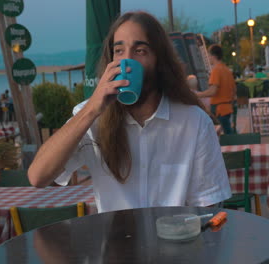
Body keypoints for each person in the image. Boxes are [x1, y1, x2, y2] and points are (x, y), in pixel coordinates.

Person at [28, 11, 232, 213]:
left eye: (140, 50)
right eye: (119, 51)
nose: (127, 60)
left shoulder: (193, 122)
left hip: (175, 241)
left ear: (159, 60)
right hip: (116, 244)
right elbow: (38, 177)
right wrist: (91, 109)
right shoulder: (92, 118)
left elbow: (208, 207)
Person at [196, 44, 236, 135]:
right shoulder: (227, 70)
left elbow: (213, 91)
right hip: (227, 108)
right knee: (228, 133)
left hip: (219, 110)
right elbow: (234, 91)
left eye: (209, 55)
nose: (208, 58)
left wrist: (197, 95)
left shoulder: (216, 70)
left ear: (213, 56)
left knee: (222, 136)